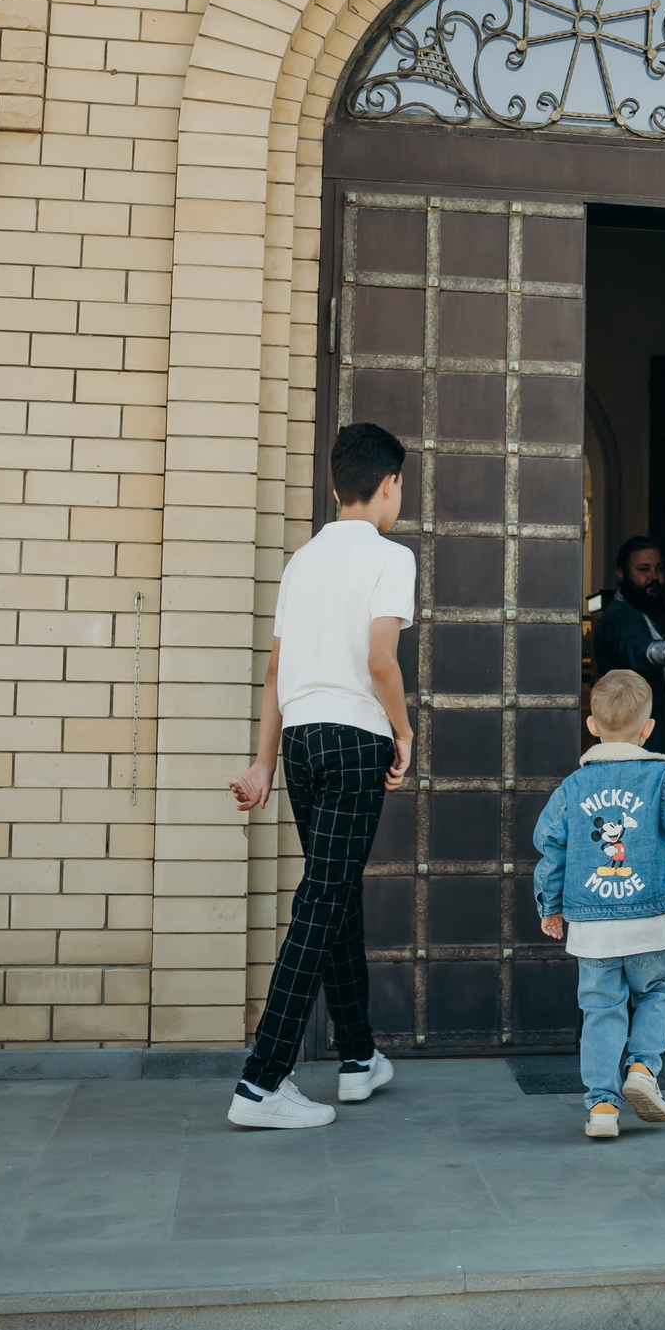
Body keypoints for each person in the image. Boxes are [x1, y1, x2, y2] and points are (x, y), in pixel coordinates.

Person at [225, 422, 414, 1130]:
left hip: (302, 741)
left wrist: (264, 761)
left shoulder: (300, 562)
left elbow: (276, 670)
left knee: (334, 895)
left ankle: (359, 1057)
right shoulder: (390, 558)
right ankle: (261, 1082)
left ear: (336, 488)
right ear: (389, 484)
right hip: (356, 739)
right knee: (323, 899)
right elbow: (380, 659)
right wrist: (403, 730)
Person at [531, 669, 665, 1139]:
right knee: (656, 993)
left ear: (591, 726)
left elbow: (552, 850)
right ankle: (643, 1069)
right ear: (648, 729)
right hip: (654, 917)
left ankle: (602, 1108)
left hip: (594, 925)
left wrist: (551, 906)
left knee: (601, 1009)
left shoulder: (571, 788)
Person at [591, 537, 665, 760]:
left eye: (660, 569)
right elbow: (641, 651)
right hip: (636, 741)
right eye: (643, 569)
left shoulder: (645, 613)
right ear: (621, 573)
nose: (654, 577)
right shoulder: (619, 616)